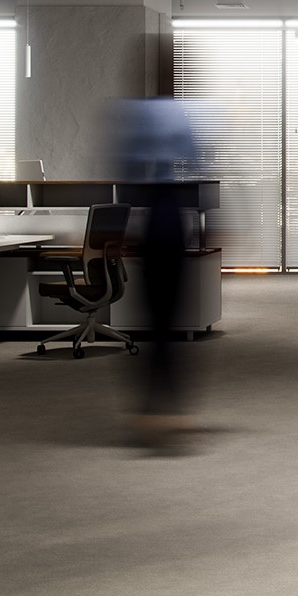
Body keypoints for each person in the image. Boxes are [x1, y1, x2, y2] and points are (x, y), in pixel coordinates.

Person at [110, 96, 202, 447]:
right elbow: (196, 163)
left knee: (158, 321)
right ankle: (163, 408)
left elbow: (127, 175)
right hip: (169, 224)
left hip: (156, 228)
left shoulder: (139, 119)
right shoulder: (174, 119)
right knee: (166, 321)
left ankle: (156, 408)